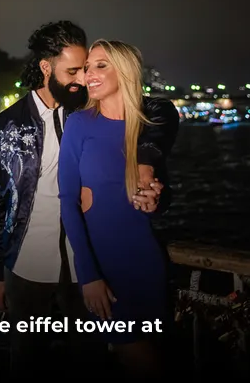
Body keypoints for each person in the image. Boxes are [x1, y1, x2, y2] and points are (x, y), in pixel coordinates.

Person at [0, 21, 179, 373]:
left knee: (89, 361)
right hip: (29, 263)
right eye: (74, 70)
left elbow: (159, 112)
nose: (82, 77)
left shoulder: (86, 111)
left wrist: (150, 170)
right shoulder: (8, 125)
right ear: (46, 68)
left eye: (88, 67)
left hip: (83, 266)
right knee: (26, 358)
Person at [58, 38, 177, 379]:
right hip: (104, 267)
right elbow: (68, 201)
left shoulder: (146, 129)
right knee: (138, 358)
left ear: (124, 72)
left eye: (100, 65)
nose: (89, 74)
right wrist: (89, 275)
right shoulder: (80, 124)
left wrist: (153, 200)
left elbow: (152, 198)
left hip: (145, 261)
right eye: (86, 67)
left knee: (148, 354)